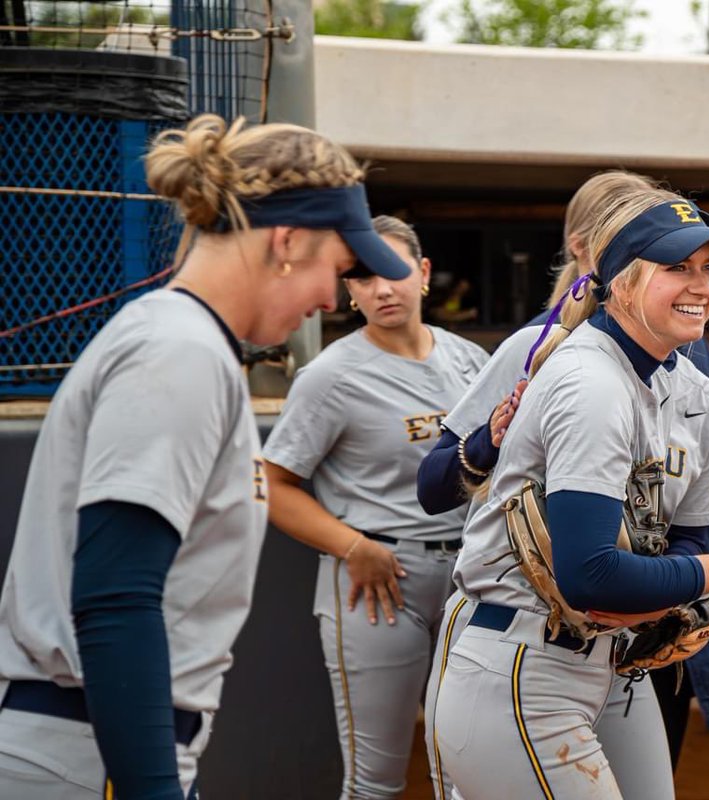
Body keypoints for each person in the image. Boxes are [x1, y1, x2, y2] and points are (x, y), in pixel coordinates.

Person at [0, 114, 410, 799]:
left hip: (99, 741)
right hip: (83, 748)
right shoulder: (179, 350)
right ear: (286, 241)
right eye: (338, 270)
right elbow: (114, 597)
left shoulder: (186, 341)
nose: (330, 299)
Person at [432, 188, 709, 799]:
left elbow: (682, 537)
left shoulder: (702, 396)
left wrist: (661, 591)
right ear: (622, 283)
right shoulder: (587, 378)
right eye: (677, 267)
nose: (701, 284)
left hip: (616, 662)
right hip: (521, 657)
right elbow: (590, 577)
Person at [262, 216, 488, 799]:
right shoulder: (332, 375)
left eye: (393, 271)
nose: (382, 288)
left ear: (424, 273)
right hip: (381, 583)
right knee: (374, 782)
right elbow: (272, 485)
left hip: (472, 578)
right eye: (361, 277)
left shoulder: (470, 360)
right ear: (349, 289)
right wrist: (352, 547)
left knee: (468, 772)